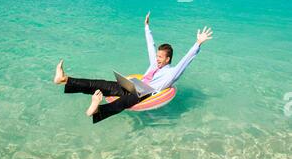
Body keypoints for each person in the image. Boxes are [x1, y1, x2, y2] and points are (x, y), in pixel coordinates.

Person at [53, 13, 213, 124]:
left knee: (124, 101)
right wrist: (146, 27)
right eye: (157, 56)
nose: (156, 59)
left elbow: (186, 61)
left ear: (168, 59)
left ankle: (96, 111)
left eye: (160, 57)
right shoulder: (154, 63)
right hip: (133, 85)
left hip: (144, 92)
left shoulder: (171, 73)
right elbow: (151, 45)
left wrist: (198, 43)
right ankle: (64, 79)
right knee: (101, 83)